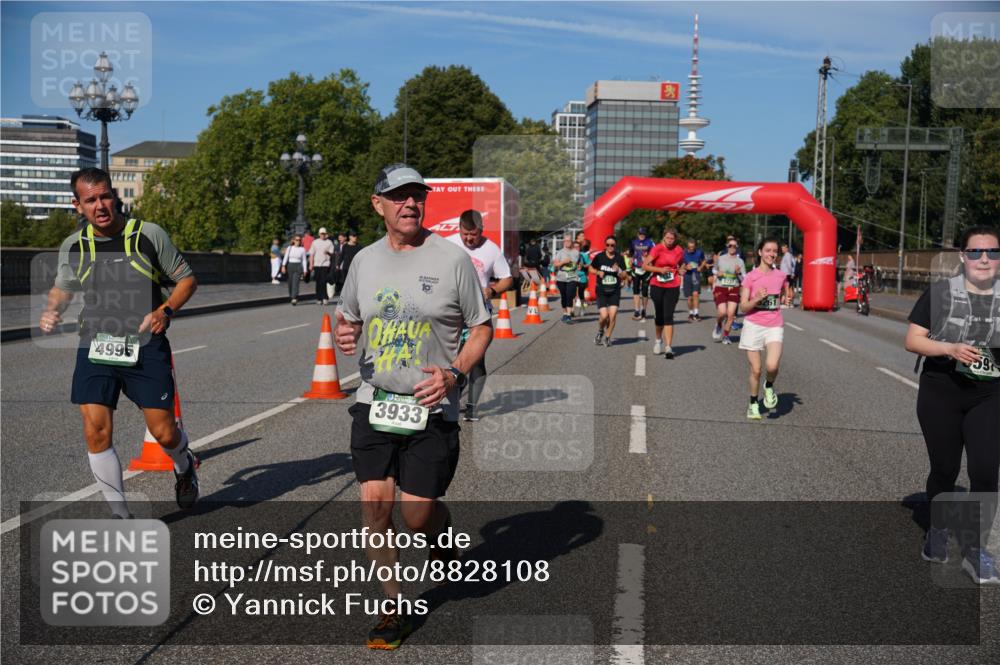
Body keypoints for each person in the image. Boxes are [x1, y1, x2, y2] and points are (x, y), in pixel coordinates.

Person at [334, 163, 492, 649]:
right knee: (375, 506)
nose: (410, 204)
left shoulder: (451, 260)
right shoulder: (363, 260)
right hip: (374, 402)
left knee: (418, 517)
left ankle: (441, 533)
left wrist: (454, 374)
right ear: (377, 204)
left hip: (431, 406)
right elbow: (348, 317)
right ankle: (393, 607)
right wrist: (346, 332)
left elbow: (482, 326)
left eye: (416, 196)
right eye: (398, 196)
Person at [38, 167, 200, 518]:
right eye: (90, 200)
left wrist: (165, 310)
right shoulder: (74, 246)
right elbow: (63, 287)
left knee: (164, 433)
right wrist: (52, 310)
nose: (100, 205)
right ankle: (120, 516)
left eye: (105, 196)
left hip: (146, 344)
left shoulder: (148, 235)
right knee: (96, 430)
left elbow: (187, 280)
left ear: (116, 196)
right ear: (77, 206)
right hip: (96, 344)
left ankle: (185, 464)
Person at [905, 225, 1000, 584]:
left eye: (992, 252)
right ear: (963, 257)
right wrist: (949, 348)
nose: (984, 259)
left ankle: (976, 551)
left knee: (986, 471)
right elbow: (912, 340)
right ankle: (938, 529)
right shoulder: (942, 294)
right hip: (941, 391)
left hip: (989, 394)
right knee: (945, 470)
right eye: (975, 252)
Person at [447, 209, 513, 421]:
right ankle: (452, 397)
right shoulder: (447, 244)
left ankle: (473, 406)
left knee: (476, 360)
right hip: (450, 311)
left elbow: (507, 278)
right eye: (465, 234)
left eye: (473, 235)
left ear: (481, 230)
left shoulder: (492, 250)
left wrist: (492, 290)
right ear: (459, 229)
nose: (468, 239)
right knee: (450, 357)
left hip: (478, 314)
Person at [739, 237, 793, 420]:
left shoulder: (780, 275)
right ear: (760, 252)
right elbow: (743, 307)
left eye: (774, 251)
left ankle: (768, 386)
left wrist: (787, 298)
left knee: (772, 365)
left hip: (774, 325)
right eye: (768, 250)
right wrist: (756, 299)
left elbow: (786, 290)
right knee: (756, 369)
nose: (772, 254)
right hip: (753, 325)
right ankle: (753, 403)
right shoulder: (750, 277)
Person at [645, 228, 685, 359]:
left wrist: (682, 270)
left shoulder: (678, 250)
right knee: (659, 316)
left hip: (673, 285)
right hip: (657, 285)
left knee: (669, 315)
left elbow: (681, 264)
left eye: (672, 239)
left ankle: (668, 347)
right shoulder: (657, 249)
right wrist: (659, 269)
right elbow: (645, 265)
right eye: (668, 238)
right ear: (663, 237)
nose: (670, 241)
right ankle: (658, 340)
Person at [589, 235, 628, 346]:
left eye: (612, 245)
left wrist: (619, 270)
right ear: (605, 246)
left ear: (615, 246)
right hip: (601, 290)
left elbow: (625, 275)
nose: (610, 247)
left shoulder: (619, 258)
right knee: (604, 316)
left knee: (613, 314)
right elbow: (591, 268)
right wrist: (597, 272)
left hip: (614, 290)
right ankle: (601, 331)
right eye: (608, 245)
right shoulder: (600, 257)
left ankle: (607, 337)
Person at [712, 239, 747, 344]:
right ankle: (718, 324)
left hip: (734, 288)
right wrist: (717, 273)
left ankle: (726, 336)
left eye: (734, 246)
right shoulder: (721, 258)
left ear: (737, 247)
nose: (732, 248)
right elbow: (714, 270)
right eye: (730, 245)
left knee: (731, 314)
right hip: (721, 287)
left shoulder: (740, 261)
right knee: (722, 312)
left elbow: (744, 278)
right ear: (727, 246)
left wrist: (738, 273)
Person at [630, 228, 655, 320]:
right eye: (640, 233)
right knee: (635, 290)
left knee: (644, 291)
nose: (642, 235)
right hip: (636, 268)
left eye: (643, 234)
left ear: (646, 234)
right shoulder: (633, 242)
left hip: (646, 269)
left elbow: (655, 253)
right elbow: (631, 252)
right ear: (638, 234)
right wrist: (631, 259)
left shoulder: (650, 243)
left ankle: (643, 310)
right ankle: (636, 310)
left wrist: (648, 258)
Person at [553, 235, 579, 323]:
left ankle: (568, 315)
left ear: (572, 242)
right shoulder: (560, 252)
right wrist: (563, 262)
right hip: (561, 278)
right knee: (564, 296)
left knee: (569, 295)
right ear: (564, 242)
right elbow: (555, 264)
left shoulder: (576, 252)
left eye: (569, 241)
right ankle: (565, 313)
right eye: (566, 241)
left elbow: (579, 263)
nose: (567, 242)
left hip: (572, 277)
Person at [308, 227, 334, 305]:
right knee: (318, 282)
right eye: (321, 234)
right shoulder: (315, 242)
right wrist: (311, 264)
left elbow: (332, 253)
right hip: (317, 264)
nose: (323, 235)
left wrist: (328, 252)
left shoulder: (329, 242)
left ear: (326, 234)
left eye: (324, 233)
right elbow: (311, 254)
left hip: (325, 264)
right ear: (319, 234)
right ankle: (319, 298)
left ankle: (325, 298)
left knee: (323, 281)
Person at [682, 238, 707, 321]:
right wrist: (685, 267)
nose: (691, 249)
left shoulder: (699, 252)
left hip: (696, 274)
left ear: (695, 246)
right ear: (687, 247)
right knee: (689, 298)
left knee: (696, 294)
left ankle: (696, 313)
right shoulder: (683, 253)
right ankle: (691, 313)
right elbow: (680, 264)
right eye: (690, 247)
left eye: (693, 247)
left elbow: (704, 260)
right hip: (687, 276)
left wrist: (701, 267)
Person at [281, 235, 308, 305]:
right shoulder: (290, 248)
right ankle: (291, 295)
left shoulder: (302, 249)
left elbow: (304, 260)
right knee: (290, 282)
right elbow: (286, 257)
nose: (298, 241)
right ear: (293, 240)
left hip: (298, 266)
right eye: (296, 240)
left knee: (296, 282)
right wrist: (283, 266)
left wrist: (305, 270)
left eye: (299, 240)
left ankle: (294, 298)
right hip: (290, 265)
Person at [575, 239, 592, 312]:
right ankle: (572, 310)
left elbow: (589, 264)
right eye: (574, 247)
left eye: (577, 247)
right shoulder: (569, 255)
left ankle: (582, 307)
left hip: (582, 276)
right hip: (572, 276)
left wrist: (583, 266)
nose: (576, 248)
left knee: (581, 293)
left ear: (580, 247)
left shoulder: (583, 255)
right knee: (572, 292)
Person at [779, 243, 797, 308]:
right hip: (786, 274)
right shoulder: (786, 255)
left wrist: (791, 273)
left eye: (783, 248)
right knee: (787, 288)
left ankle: (787, 303)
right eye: (781, 249)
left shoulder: (787, 255)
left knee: (786, 289)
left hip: (786, 274)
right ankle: (788, 303)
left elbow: (789, 265)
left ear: (786, 248)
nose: (782, 250)